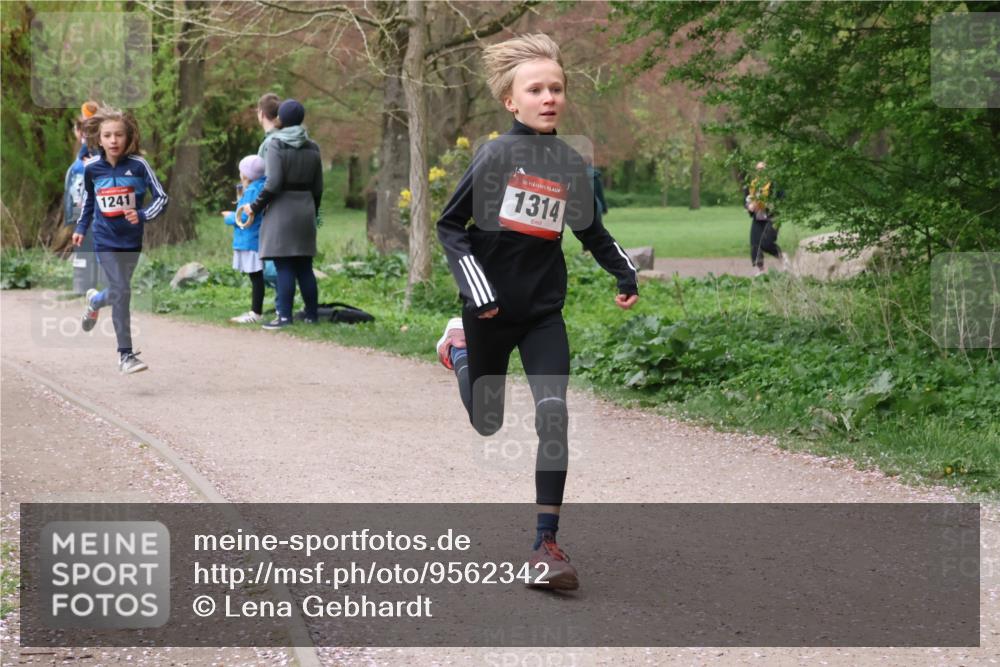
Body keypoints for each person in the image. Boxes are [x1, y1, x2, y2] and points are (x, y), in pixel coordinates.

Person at [434, 34, 639, 591]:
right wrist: (477, 294)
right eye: (535, 89)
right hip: (490, 312)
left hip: (544, 312)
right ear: (511, 101)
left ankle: (545, 543)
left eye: (556, 88)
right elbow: (450, 227)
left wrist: (624, 271)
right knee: (488, 420)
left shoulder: (570, 161)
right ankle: (457, 351)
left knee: (554, 412)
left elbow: (590, 230)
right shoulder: (496, 155)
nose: (548, 97)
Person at [73, 105, 169, 374]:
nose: (113, 141)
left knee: (118, 291)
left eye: (119, 135)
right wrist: (81, 228)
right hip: (104, 239)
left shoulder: (139, 166)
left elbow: (162, 197)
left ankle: (94, 301)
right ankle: (125, 355)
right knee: (123, 292)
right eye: (107, 136)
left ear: (128, 138)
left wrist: (142, 214)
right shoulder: (92, 168)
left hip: (131, 240)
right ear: (99, 139)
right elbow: (90, 202)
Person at [240, 99, 323, 330]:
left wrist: (254, 207)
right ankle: (311, 315)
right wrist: (313, 211)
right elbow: (318, 187)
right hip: (305, 207)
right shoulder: (312, 146)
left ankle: (284, 316)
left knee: (284, 265)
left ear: (281, 119)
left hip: (282, 208)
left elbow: (273, 183)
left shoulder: (276, 144)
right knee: (305, 266)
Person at [223, 155, 267, 323]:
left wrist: (229, 217)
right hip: (255, 237)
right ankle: (258, 310)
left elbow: (245, 217)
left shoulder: (252, 191)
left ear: (246, 174)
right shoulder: (258, 187)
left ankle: (256, 313)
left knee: (256, 276)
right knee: (257, 276)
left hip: (250, 239)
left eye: (241, 171)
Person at [744, 160, 788, 276]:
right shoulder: (752, 185)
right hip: (758, 218)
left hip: (773, 217)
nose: (760, 172)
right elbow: (747, 200)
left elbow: (782, 199)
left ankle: (782, 257)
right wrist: (749, 206)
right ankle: (760, 270)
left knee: (766, 243)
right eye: (758, 170)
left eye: (762, 169)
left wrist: (769, 204)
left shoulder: (774, 185)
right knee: (755, 243)